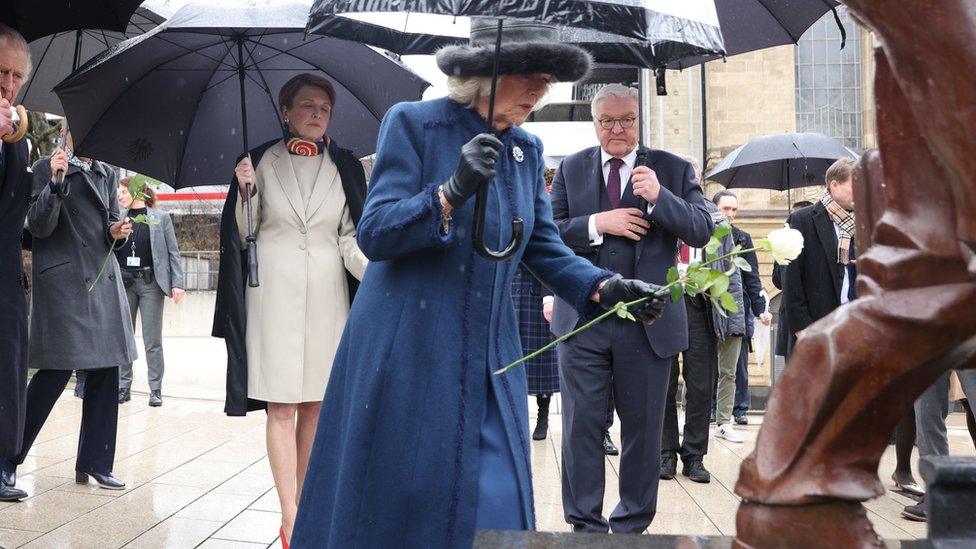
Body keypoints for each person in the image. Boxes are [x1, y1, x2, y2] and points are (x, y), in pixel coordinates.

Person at [290, 19, 666, 548]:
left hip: (492, 359)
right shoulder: (414, 123)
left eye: (549, 81)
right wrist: (448, 192)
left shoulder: (527, 150)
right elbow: (374, 233)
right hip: (410, 349)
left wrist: (604, 287)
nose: (540, 92)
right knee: (404, 498)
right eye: (531, 77)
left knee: (494, 498)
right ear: (486, 73)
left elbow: (542, 248)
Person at [550, 83, 713, 533]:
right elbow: (549, 234)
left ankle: (630, 528)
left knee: (642, 431)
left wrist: (661, 197)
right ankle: (585, 525)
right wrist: (597, 223)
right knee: (582, 425)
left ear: (639, 120)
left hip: (649, 324)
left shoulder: (673, 169)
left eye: (627, 120)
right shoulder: (571, 168)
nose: (617, 128)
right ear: (595, 123)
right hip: (583, 320)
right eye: (608, 120)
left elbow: (702, 229)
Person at [213, 73, 369, 546]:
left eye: (324, 106)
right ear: (286, 111)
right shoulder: (257, 160)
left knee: (318, 405)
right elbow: (243, 236)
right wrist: (246, 192)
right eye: (307, 105)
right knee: (281, 406)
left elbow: (349, 236)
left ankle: (309, 498)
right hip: (272, 295)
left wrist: (380, 274)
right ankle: (290, 514)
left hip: (328, 297)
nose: (317, 113)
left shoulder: (347, 166)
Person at [4, 133, 137, 495]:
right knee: (54, 371)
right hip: (64, 281)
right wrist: (55, 184)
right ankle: (8, 458)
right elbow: (37, 226)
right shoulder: (46, 166)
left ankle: (96, 461)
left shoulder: (108, 172)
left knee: (107, 368)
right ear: (69, 132)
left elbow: (108, 226)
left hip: (101, 280)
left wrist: (117, 231)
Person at [660, 156, 720, 484]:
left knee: (700, 384)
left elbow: (727, 266)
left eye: (693, 177)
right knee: (665, 382)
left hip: (700, 305)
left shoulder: (713, 214)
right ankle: (666, 452)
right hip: (667, 303)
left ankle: (694, 455)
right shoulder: (661, 210)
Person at [115, 178, 185, 406]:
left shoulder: (160, 218)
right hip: (125, 284)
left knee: (152, 340)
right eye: (119, 192)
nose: (120, 195)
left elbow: (173, 252)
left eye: (124, 191)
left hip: (150, 284)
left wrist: (178, 283)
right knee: (125, 338)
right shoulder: (118, 218)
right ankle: (123, 386)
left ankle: (155, 390)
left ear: (137, 191)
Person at [0, 23, 33, 503]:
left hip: (5, 279)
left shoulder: (20, 141)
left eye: (17, 77)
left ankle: (3, 463)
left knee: (7, 372)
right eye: (1, 72)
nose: (8, 85)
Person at [780, 158, 858, 357]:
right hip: (814, 330)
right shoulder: (802, 220)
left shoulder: (864, 223)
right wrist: (802, 329)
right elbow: (790, 279)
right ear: (834, 185)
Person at [712, 190, 771, 426]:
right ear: (715, 208)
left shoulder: (743, 238)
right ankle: (713, 408)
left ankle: (740, 408)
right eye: (726, 208)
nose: (731, 214)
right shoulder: (705, 235)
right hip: (711, 306)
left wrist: (761, 310)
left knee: (738, 364)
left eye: (734, 209)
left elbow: (752, 278)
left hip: (737, 308)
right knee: (711, 365)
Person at [513, 265, 559, 440]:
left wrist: (549, 296)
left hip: (536, 293)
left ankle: (543, 416)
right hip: (510, 290)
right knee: (510, 358)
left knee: (540, 359)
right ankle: (516, 418)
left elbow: (548, 258)